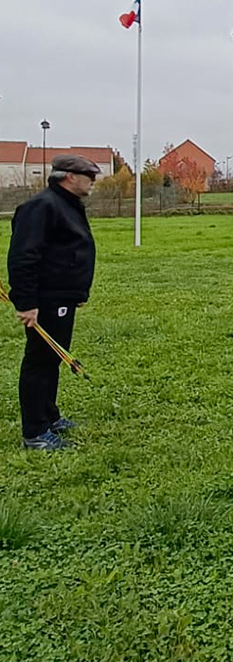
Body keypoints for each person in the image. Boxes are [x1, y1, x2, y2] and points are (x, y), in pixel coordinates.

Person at [7, 154, 99, 450]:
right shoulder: (42, 207)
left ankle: (49, 416)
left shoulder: (67, 205)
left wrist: (76, 294)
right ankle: (35, 432)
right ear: (69, 176)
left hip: (61, 297)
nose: (93, 182)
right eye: (89, 176)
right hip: (45, 300)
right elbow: (24, 256)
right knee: (39, 361)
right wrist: (26, 302)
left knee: (53, 358)